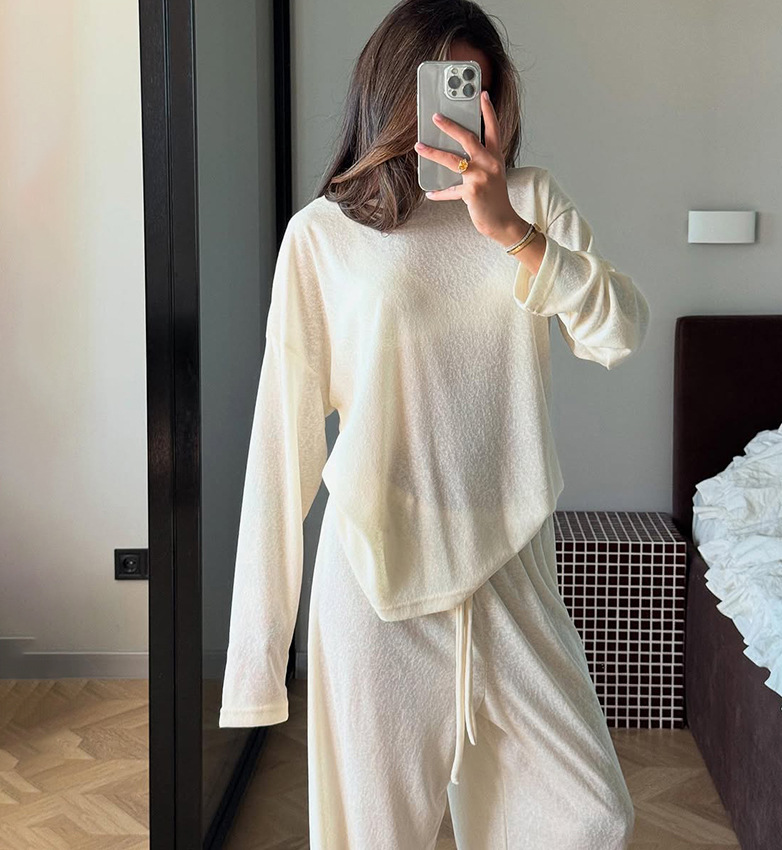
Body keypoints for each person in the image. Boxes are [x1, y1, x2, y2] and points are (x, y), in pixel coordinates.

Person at [219, 1, 650, 847]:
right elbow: (281, 448)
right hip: (376, 583)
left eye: (475, 89)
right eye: (442, 86)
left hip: (510, 571)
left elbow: (620, 332)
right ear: (394, 92)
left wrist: (512, 233)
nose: (458, 110)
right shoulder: (324, 235)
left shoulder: (532, 203)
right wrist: (256, 662)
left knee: (591, 815)